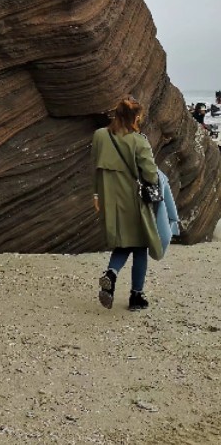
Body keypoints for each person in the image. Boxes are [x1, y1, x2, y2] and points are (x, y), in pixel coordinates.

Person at [91, 95, 162, 311]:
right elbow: (150, 174)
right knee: (139, 245)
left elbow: (95, 166)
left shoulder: (100, 135)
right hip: (134, 200)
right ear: (134, 117)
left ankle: (111, 274)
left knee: (125, 242)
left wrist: (96, 195)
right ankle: (136, 296)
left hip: (108, 198)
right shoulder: (138, 141)